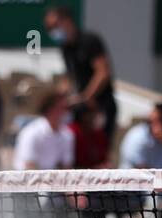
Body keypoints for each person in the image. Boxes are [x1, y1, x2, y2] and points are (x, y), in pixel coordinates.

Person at [44, 5, 116, 147]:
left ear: (67, 21)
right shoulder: (65, 48)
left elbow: (103, 72)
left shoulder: (89, 41)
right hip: (82, 109)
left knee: (98, 152)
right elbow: (70, 77)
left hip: (100, 106)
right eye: (49, 28)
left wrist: (87, 97)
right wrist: (59, 99)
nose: (52, 31)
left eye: (54, 26)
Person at [12, 89, 73, 171]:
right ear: (49, 109)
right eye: (61, 108)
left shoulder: (67, 134)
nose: (65, 112)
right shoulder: (31, 132)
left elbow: (66, 167)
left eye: (66, 108)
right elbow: (29, 166)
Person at [68, 99, 109, 168]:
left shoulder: (100, 135)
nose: (95, 116)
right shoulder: (71, 132)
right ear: (83, 115)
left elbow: (104, 160)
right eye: (92, 113)